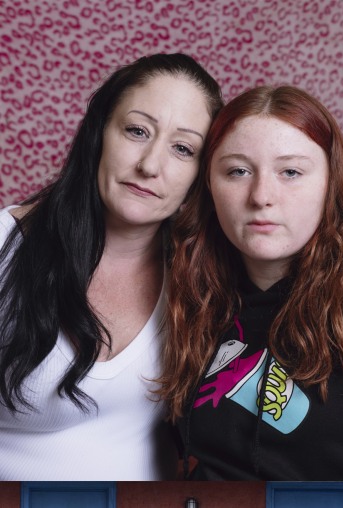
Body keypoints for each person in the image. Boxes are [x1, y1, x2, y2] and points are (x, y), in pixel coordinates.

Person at [0, 53, 224, 480]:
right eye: (137, 131)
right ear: (100, 132)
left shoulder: (202, 276)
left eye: (182, 148)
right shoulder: (5, 247)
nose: (150, 165)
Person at [161, 85, 343, 480]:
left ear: (330, 183)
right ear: (208, 185)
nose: (262, 196)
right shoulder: (190, 281)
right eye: (238, 171)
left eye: (291, 172)